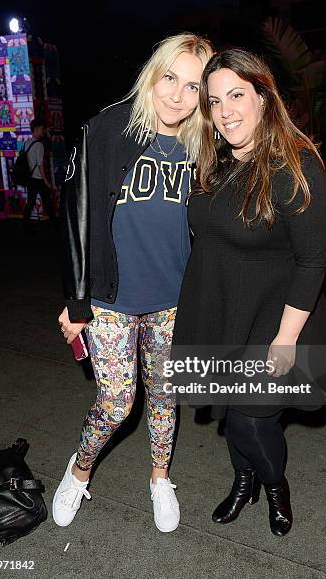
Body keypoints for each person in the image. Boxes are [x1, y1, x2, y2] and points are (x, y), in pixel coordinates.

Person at [54, 33, 214, 533]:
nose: (177, 96)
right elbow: (76, 214)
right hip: (111, 299)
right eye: (171, 77)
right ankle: (78, 472)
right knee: (117, 402)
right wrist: (76, 298)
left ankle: (159, 478)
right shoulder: (107, 128)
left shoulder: (204, 145)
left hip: (173, 298)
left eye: (192, 87)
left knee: (166, 398)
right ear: (153, 73)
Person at [172, 49, 326, 536]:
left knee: (250, 418)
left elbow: (312, 260)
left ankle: (274, 484)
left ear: (264, 97)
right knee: (229, 409)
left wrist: (285, 339)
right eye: (216, 100)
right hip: (220, 307)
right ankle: (243, 481)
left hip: (273, 316)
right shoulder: (214, 161)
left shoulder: (294, 165)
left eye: (238, 95)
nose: (226, 112)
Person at [22, 120, 56, 225]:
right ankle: (55, 223)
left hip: (30, 179)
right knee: (47, 201)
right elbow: (40, 165)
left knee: (30, 202)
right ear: (36, 130)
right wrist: (46, 181)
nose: (43, 132)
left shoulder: (26, 143)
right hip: (39, 179)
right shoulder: (39, 145)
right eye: (41, 129)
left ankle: (25, 223)